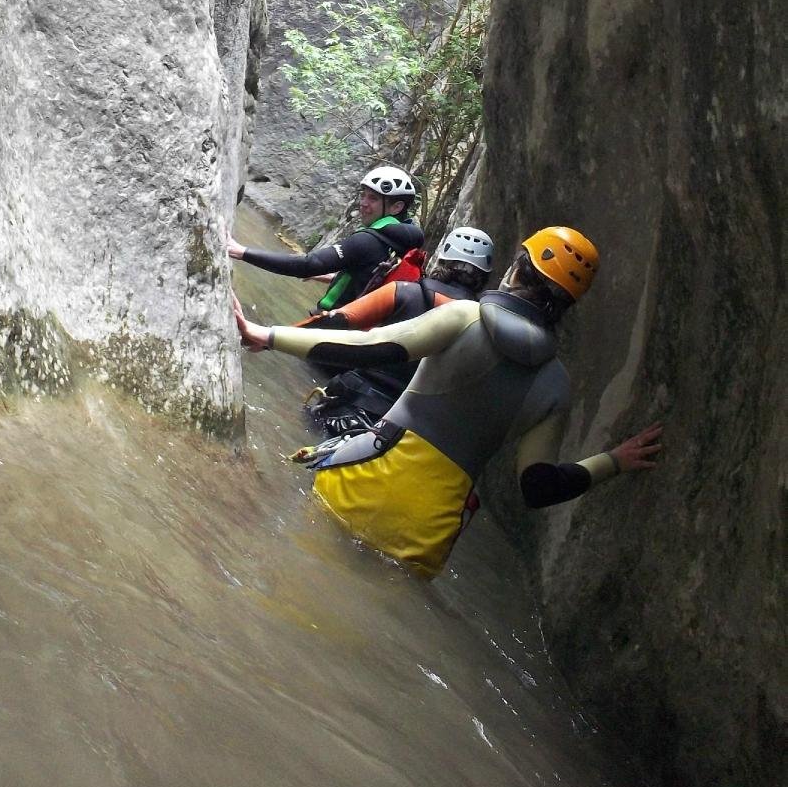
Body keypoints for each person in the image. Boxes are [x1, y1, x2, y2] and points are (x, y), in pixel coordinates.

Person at [234, 225, 662, 578]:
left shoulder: (464, 318)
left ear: (515, 270)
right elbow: (539, 487)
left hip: (362, 480)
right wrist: (615, 460)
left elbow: (368, 347)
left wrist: (267, 335)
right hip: (427, 533)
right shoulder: (556, 385)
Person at [298, 226, 495, 438]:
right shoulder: (482, 326)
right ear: (484, 277)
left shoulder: (404, 292)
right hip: (401, 427)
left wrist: (275, 335)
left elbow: (336, 321)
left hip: (349, 402)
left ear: (441, 259)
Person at [227, 165, 424, 314]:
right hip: (354, 340)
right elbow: (367, 279)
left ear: (396, 207)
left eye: (372, 198)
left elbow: (309, 264)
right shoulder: (403, 243)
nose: (363, 203)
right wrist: (326, 275)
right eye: (363, 195)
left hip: (330, 329)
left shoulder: (369, 240)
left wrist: (241, 252)